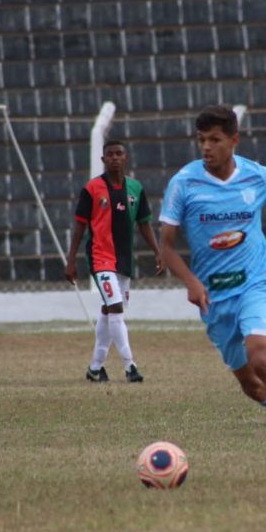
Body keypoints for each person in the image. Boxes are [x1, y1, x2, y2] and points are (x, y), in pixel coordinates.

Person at [159, 105, 266, 480]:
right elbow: (166, 245)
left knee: (261, 355)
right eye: (201, 140)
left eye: (215, 140)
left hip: (254, 283)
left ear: (234, 140)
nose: (206, 147)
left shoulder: (257, 176)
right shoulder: (184, 183)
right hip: (214, 298)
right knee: (250, 384)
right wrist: (192, 282)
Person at [65, 140, 162, 382]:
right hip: (100, 258)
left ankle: (95, 368)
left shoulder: (136, 189)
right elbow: (79, 226)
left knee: (110, 311)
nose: (115, 158)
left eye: (119, 154)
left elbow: (144, 224)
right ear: (103, 159)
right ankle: (130, 367)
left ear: (126, 158)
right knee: (116, 308)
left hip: (124, 260)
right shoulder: (92, 189)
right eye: (110, 154)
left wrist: (158, 251)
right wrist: (71, 260)